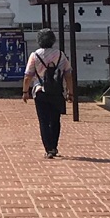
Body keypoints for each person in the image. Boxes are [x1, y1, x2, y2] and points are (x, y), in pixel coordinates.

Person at [23, 27, 71, 159]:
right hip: (56, 91)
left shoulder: (35, 55)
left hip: (40, 91)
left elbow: (28, 76)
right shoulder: (61, 55)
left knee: (43, 121)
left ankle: (48, 148)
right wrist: (70, 92)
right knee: (55, 120)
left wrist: (25, 91)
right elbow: (68, 74)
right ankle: (54, 146)